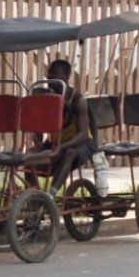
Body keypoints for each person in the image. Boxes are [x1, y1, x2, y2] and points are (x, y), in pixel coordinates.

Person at [34, 59, 96, 192]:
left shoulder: (78, 100)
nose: (50, 78)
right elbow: (40, 125)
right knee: (29, 161)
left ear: (67, 77)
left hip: (80, 144)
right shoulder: (48, 98)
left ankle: (51, 194)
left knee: (69, 153)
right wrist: (37, 141)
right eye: (49, 75)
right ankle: (37, 199)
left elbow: (83, 135)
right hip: (56, 143)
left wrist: (61, 147)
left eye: (55, 75)